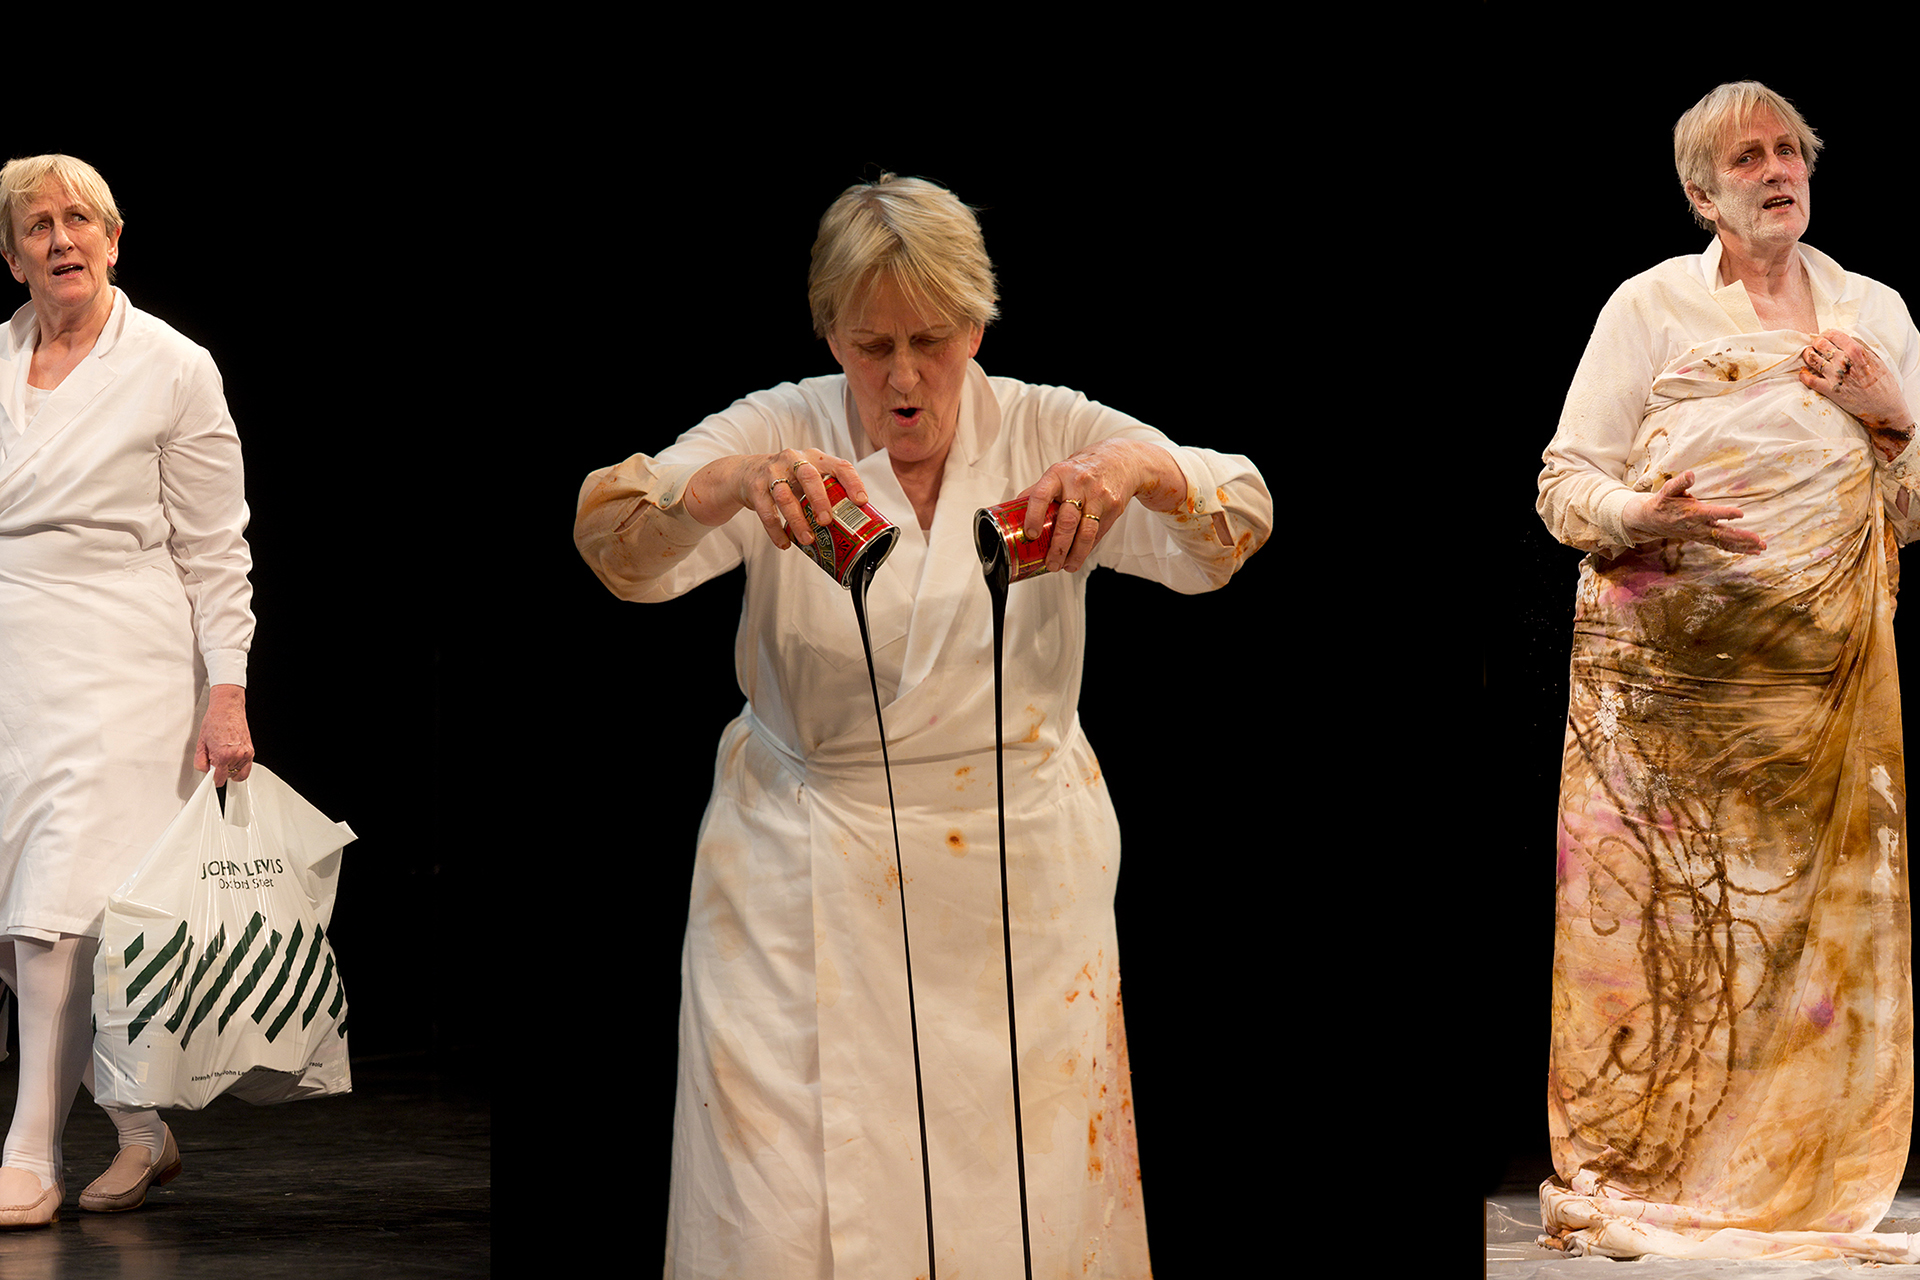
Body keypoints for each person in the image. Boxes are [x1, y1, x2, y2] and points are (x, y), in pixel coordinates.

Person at [575, 173, 1269, 1277]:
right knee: (782, 1207)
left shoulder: (1050, 428)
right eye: (870, 345)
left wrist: (1141, 470)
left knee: (1027, 1198)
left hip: (1018, 864)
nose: (901, 377)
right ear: (830, 335)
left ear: (977, 325)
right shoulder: (783, 430)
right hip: (799, 862)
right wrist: (728, 487)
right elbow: (617, 542)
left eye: (931, 341)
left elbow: (1234, 516)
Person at [1536, 83, 1920, 1261]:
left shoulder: (1877, 312)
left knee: (1809, 932)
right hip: (1664, 693)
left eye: (1787, 149)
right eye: (1744, 156)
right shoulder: (1647, 307)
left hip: (1818, 691)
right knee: (1665, 934)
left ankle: (1794, 1173)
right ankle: (1652, 1165)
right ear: (1702, 192)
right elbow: (1562, 481)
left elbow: (1904, 514)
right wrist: (1639, 510)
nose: (1774, 167)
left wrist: (1887, 412)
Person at [0, 155, 256, 1229]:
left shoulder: (172, 364)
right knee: (24, 923)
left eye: (77, 220)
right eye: (35, 225)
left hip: (120, 652)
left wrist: (228, 689)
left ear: (112, 238)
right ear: (10, 254)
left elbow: (215, 544)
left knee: (58, 906)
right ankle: (144, 1127)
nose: (59, 238)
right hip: (14, 653)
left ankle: (27, 1150)